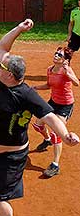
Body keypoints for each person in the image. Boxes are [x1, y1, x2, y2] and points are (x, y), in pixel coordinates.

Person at [0, 19, 79, 216]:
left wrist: (66, 135)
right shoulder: (0, 79)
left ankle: (0, 204)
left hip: (12, 156)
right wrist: (19, 29)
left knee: (1, 199)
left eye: (3, 66)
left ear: (10, 75)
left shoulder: (26, 95)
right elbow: (2, 45)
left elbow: (51, 117)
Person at [32, 46, 79, 177]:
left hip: (65, 106)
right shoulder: (49, 69)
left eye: (60, 55)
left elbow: (76, 83)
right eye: (56, 53)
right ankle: (46, 140)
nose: (56, 56)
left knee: (56, 134)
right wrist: (35, 87)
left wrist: (69, 74)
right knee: (37, 125)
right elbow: (49, 85)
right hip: (53, 102)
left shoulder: (66, 70)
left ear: (65, 60)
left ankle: (55, 165)